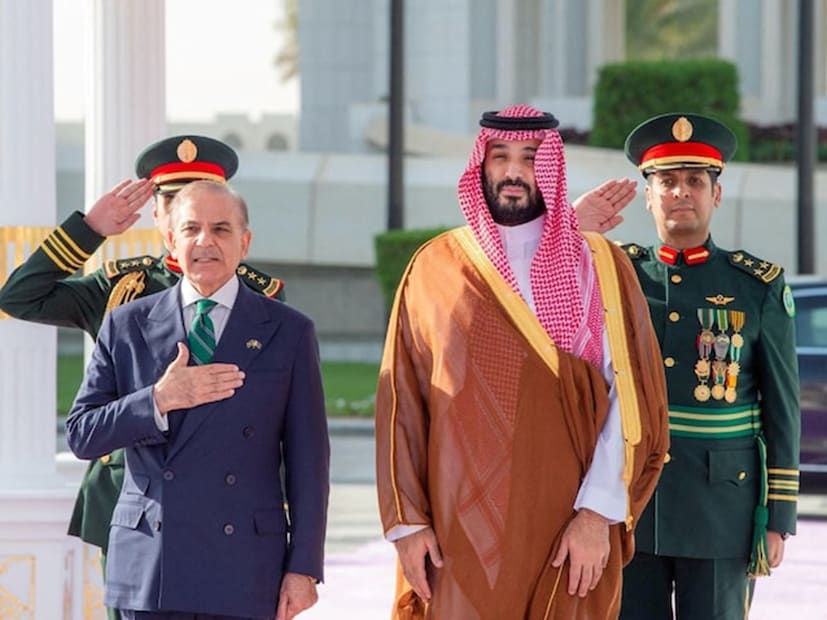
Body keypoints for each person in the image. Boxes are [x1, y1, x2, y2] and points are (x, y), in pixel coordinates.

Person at [374, 104, 670, 619]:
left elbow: (630, 400)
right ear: (481, 164)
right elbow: (402, 403)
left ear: (550, 167)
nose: (514, 171)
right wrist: (408, 524)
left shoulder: (598, 264)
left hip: (566, 528)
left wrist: (596, 517)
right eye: (501, 156)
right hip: (455, 533)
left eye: (531, 158)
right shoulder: (434, 268)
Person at [0, 135, 285, 620]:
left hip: (224, 504)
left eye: (200, 197)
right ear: (157, 215)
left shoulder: (260, 298)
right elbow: (20, 297)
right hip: (132, 500)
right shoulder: (121, 287)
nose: (187, 210)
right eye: (172, 200)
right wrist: (89, 230)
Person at [65, 180, 329, 620]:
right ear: (172, 240)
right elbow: (81, 435)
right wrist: (157, 400)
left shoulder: (288, 331)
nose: (205, 241)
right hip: (152, 564)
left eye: (221, 229)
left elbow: (309, 460)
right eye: (191, 229)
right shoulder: (126, 325)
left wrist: (304, 567)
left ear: (245, 242)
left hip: (245, 565)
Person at [610, 113, 800, 619]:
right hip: (631, 504)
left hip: (723, 510)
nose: (681, 192)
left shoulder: (756, 287)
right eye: (667, 181)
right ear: (648, 196)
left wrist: (777, 516)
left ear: (716, 195)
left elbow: (782, 409)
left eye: (695, 181)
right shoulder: (617, 275)